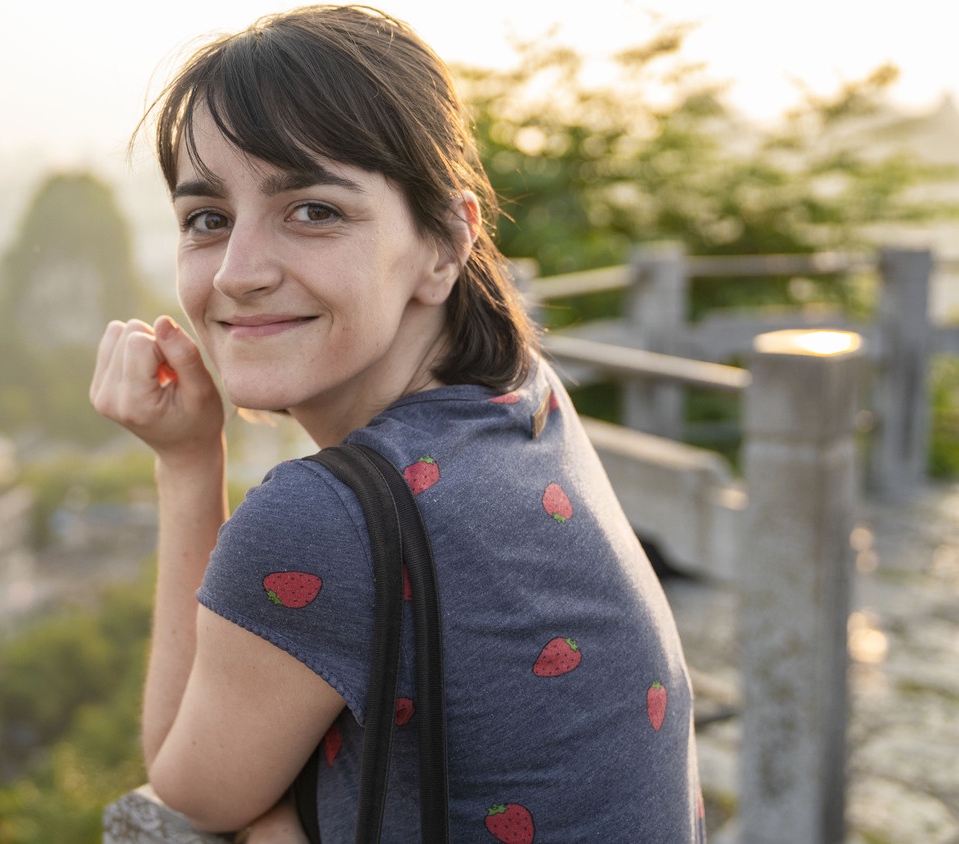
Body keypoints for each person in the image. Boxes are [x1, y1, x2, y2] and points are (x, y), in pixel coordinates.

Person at [90, 5, 704, 841]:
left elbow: (192, 789)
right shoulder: (520, 394)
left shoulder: (320, 520)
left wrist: (187, 464)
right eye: (208, 219)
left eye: (313, 210)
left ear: (445, 245)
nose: (238, 273)